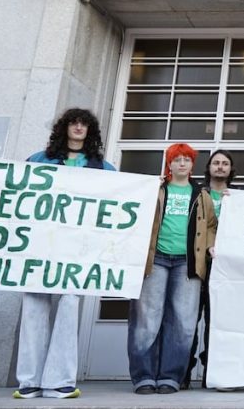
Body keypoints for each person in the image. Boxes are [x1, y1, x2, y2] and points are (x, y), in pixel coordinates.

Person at [14, 108, 116, 400]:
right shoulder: (38, 160)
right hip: (40, 245)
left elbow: (117, 202)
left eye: (84, 123)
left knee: (70, 307)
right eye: (74, 122)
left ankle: (60, 380)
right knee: (33, 307)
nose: (79, 127)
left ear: (90, 130)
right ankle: (29, 381)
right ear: (64, 127)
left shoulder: (103, 168)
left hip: (78, 249)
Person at [128, 143, 217, 395]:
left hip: (187, 263)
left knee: (183, 322)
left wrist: (210, 245)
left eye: (186, 159)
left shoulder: (202, 195)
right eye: (177, 159)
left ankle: (170, 377)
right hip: (155, 259)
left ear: (192, 165)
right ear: (169, 163)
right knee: (147, 319)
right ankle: (144, 377)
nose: (182, 163)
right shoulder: (155, 190)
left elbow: (211, 225)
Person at [183, 149, 235, 390]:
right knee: (188, 318)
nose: (220, 166)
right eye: (216, 162)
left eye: (225, 163)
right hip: (196, 263)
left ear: (231, 169)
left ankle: (211, 372)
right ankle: (183, 371)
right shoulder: (197, 193)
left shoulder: (237, 196)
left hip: (224, 267)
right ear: (209, 167)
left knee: (216, 321)